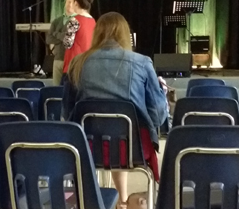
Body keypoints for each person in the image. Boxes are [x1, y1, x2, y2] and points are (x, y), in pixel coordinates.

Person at [63, 12, 168, 208]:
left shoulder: (77, 63)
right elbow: (158, 113)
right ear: (124, 35)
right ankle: (125, 200)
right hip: (131, 148)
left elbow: (67, 113)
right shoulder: (142, 62)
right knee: (124, 133)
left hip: (87, 147)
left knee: (107, 133)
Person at [62, 0, 96, 76]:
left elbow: (67, 44)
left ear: (76, 3)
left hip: (74, 62)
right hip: (87, 62)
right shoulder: (93, 21)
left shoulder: (74, 20)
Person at [46, 0, 76, 85]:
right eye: (68, 2)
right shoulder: (56, 21)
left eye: (72, 2)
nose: (69, 4)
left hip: (72, 60)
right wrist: (65, 36)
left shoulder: (77, 20)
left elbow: (73, 39)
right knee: (56, 88)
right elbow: (49, 39)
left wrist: (56, 34)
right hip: (58, 59)